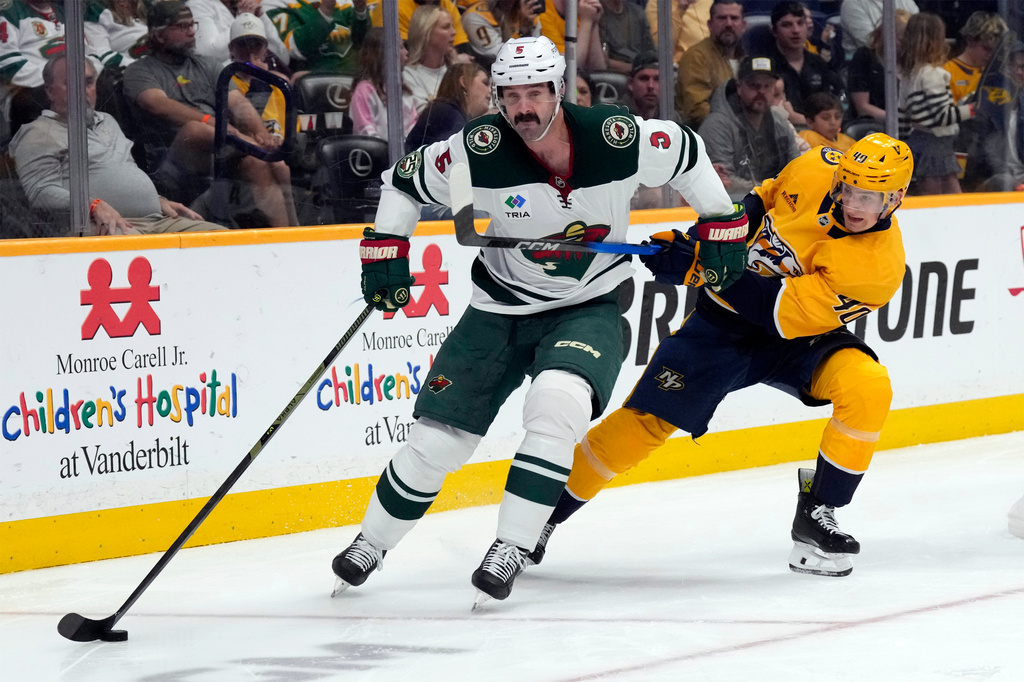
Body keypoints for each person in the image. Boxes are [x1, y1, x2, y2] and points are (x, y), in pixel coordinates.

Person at [331, 35, 743, 606]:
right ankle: (370, 544)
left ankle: (511, 546)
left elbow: (686, 152)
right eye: (510, 96)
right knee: (436, 443)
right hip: (497, 309)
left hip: (587, 306)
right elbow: (403, 181)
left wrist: (721, 224)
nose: (523, 107)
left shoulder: (614, 137)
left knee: (556, 407)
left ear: (558, 90)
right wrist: (385, 249)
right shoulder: (474, 150)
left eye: (534, 93)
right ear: (496, 98)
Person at [530, 133, 914, 580]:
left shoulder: (879, 267)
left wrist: (702, 265)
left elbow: (774, 311)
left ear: (896, 197)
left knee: (868, 387)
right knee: (644, 422)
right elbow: (761, 200)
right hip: (722, 327)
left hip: (798, 335)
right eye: (848, 189)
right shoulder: (815, 167)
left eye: (869, 196)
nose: (854, 204)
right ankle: (538, 518)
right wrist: (701, 241)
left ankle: (819, 509)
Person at [123, 1, 298, 226]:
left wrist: (262, 134)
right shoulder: (139, 71)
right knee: (197, 129)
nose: (191, 32)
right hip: (170, 159)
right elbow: (157, 104)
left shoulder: (208, 65)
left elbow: (238, 103)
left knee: (257, 162)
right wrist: (212, 122)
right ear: (159, 35)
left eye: (192, 25)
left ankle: (283, 237)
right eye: (182, 26)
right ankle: (253, 147)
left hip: (221, 147)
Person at [9, 54, 225, 236]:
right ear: (49, 91)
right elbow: (39, 192)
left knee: (223, 241)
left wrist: (156, 200)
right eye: (71, 83)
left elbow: (125, 172)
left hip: (158, 220)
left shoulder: (108, 122)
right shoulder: (38, 133)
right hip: (101, 226)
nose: (82, 90)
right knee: (144, 252)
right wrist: (91, 205)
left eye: (88, 82)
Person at [698, 55, 799, 202]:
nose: (761, 92)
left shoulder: (780, 122)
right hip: (733, 207)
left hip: (776, 202)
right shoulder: (717, 126)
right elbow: (723, 183)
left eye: (767, 86)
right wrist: (772, 191)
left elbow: (797, 168)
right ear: (739, 87)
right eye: (754, 85)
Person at [898, 12, 974, 195]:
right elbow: (941, 117)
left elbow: (901, 117)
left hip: (918, 142)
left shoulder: (908, 75)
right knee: (945, 197)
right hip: (935, 143)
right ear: (936, 41)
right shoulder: (933, 75)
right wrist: (972, 109)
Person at [766, 1, 845, 127]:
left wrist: (796, 118)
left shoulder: (819, 64)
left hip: (820, 138)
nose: (796, 30)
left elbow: (838, 111)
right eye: (787, 25)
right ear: (775, 31)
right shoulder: (765, 68)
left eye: (800, 23)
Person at [0, 0, 73, 136]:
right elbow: (8, 66)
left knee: (106, 84)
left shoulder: (64, 12)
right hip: (27, 89)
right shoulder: (7, 10)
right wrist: (58, 78)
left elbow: (87, 51)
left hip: (67, 80)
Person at [676, 0, 745, 129]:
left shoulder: (747, 59)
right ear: (710, 24)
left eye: (734, 18)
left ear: (743, 25)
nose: (728, 24)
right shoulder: (697, 56)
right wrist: (740, 125)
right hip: (702, 135)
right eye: (722, 18)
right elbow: (697, 110)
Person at [404, 61, 491, 153]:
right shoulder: (447, 114)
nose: (490, 90)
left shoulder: (445, 111)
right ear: (464, 82)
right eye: (485, 83)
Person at [267, 0, 371, 76]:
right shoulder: (275, 2)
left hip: (354, 77)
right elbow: (291, 49)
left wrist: (360, 11)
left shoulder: (345, 2)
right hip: (313, 78)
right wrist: (324, 11)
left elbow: (364, 43)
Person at [349, 28, 418, 142]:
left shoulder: (403, 90)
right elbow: (366, 134)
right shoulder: (364, 91)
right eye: (400, 47)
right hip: (375, 157)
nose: (406, 52)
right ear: (384, 54)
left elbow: (412, 128)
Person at [848, 10, 911, 122]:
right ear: (886, 36)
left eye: (910, 40)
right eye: (901, 40)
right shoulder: (864, 57)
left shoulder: (911, 60)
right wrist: (899, 120)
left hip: (906, 126)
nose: (907, 45)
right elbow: (862, 107)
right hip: (874, 126)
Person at [404, 5, 465, 116]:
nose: (454, 32)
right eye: (446, 27)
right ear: (426, 33)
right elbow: (424, 115)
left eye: (452, 26)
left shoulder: (461, 71)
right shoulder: (408, 76)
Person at [188, 0, 289, 67]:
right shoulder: (198, 4)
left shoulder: (245, 6)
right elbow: (208, 53)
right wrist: (243, 18)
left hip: (259, 75)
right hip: (226, 79)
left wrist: (262, 17)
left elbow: (282, 57)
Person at [944, 12, 1008, 106]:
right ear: (970, 40)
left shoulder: (997, 73)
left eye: (996, 51)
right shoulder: (947, 73)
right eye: (987, 49)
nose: (991, 55)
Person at [368, 0, 473, 58]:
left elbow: (463, 48)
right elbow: (406, 53)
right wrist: (454, 59)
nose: (453, 32)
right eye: (446, 27)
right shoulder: (394, 6)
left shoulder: (447, 5)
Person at [462, 0, 543, 64]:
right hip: (492, 72)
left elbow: (538, 50)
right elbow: (501, 56)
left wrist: (526, 29)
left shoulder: (528, 9)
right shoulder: (476, 16)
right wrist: (521, 31)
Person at [538, 0, 607, 72]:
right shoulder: (543, 10)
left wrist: (593, 22)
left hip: (585, 77)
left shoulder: (584, 8)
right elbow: (569, 66)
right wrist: (587, 21)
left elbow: (598, 68)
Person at [85, 0, 149, 71]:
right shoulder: (95, 11)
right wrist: (142, 68)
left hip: (154, 54)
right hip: (137, 68)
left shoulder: (144, 5)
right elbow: (102, 55)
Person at [840, 0, 919, 57]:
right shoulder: (851, 4)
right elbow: (872, 44)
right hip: (868, 64)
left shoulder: (906, 1)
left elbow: (920, 31)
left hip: (908, 57)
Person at [597, 0, 656, 75]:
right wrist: (636, 68)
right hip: (612, 76)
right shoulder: (596, 12)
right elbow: (603, 61)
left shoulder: (638, 13)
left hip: (642, 75)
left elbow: (651, 54)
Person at [646, 0, 712, 65]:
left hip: (711, 65)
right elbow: (661, 50)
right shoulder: (658, 3)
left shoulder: (710, 2)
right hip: (679, 68)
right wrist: (680, 10)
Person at [623, 51, 681, 124]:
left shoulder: (672, 118)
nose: (650, 86)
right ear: (630, 83)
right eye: (644, 78)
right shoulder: (616, 115)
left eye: (657, 79)